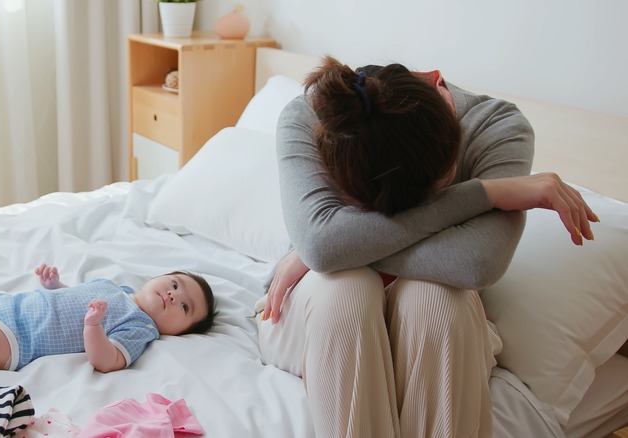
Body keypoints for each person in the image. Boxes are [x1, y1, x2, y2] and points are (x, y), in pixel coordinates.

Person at [255, 57, 598, 437]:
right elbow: (323, 249)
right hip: (310, 311)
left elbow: (476, 263)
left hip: (433, 323)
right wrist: (486, 193)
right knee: (347, 289)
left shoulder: (495, 127)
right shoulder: (319, 115)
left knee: (435, 300)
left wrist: (330, 244)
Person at [0, 263, 217, 373]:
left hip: (17, 340)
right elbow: (72, 297)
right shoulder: (116, 286)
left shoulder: (141, 327)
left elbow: (107, 360)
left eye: (184, 307)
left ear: (180, 331)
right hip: (11, 305)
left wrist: (93, 327)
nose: (173, 295)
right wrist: (56, 285)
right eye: (174, 284)